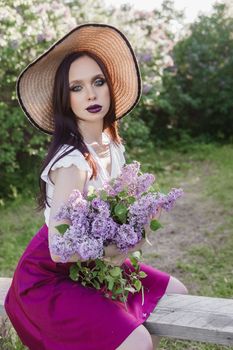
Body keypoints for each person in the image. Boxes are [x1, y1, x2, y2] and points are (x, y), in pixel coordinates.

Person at [4, 23, 188, 350]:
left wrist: (138, 230)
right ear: (65, 99)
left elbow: (122, 212)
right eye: (77, 87)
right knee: (137, 341)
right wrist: (113, 251)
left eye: (98, 82)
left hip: (91, 265)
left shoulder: (110, 144)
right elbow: (59, 250)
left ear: (109, 88)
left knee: (176, 293)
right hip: (50, 278)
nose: (90, 94)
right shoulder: (71, 164)